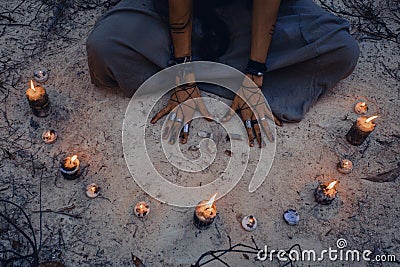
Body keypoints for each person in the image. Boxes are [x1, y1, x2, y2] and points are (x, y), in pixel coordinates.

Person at [86, 0, 360, 146]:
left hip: (251, 16)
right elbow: (179, 14)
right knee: (107, 46)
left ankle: (222, 71)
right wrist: (184, 74)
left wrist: (254, 71)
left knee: (340, 49)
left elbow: (266, 8)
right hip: (176, 15)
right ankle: (214, 71)